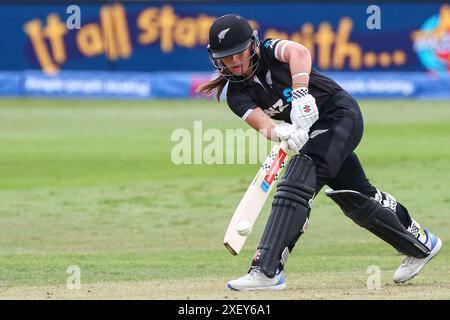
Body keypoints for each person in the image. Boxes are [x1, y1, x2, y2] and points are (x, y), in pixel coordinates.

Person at [197, 14, 442, 291]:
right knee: (359, 195)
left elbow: (298, 52)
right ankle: (421, 243)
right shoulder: (235, 95)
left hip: (340, 116)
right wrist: (283, 133)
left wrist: (301, 94)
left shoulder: (268, 51)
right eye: (227, 58)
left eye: (239, 54)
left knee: (296, 181)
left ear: (252, 46)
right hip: (313, 135)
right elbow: (263, 125)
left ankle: (267, 270)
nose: (236, 63)